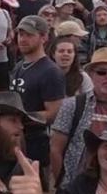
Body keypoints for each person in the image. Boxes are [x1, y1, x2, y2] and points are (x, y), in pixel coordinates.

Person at [50, 48, 107, 190]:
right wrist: (64, 186)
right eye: (101, 72)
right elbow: (55, 149)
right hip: (77, 186)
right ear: (91, 75)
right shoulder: (72, 105)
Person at [10, 15, 65, 179]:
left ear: (44, 37)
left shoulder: (51, 72)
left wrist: (23, 117)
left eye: (29, 35)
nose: (23, 39)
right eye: (20, 34)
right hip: (14, 140)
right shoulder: (19, 66)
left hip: (35, 142)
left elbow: (54, 113)